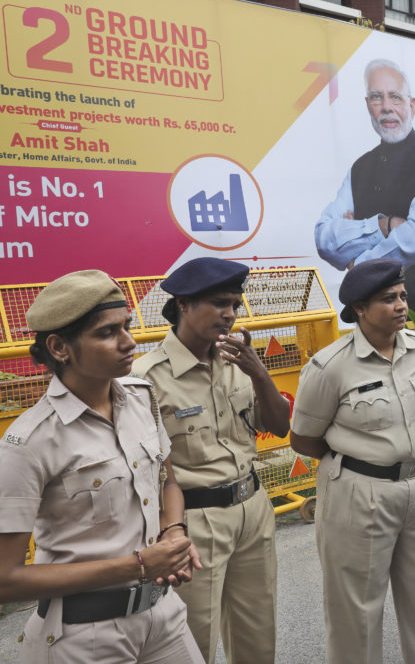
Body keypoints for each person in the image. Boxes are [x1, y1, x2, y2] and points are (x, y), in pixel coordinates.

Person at [0, 270, 204, 664]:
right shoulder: (31, 441)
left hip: (162, 614)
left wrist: (173, 532)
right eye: (108, 333)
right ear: (60, 347)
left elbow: (168, 481)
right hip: (84, 634)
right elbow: (5, 579)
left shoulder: (141, 399)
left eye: (127, 326)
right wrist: (140, 565)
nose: (130, 341)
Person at [289, 258, 415, 664]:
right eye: (387, 299)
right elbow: (304, 439)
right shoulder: (329, 366)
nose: (400, 305)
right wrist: (365, 464)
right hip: (360, 493)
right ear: (359, 308)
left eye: (402, 296)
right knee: (356, 614)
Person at [133, 258, 290, 664]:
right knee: (192, 637)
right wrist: (170, 530)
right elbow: (144, 470)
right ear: (183, 303)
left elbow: (279, 425)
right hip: (196, 520)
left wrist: (259, 373)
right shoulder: (145, 378)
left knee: (257, 631)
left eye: (235, 305)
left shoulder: (238, 363)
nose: (230, 315)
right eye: (220, 303)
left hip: (252, 509)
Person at [314, 58, 415, 316]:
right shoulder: (358, 169)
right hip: (369, 316)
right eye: (376, 97)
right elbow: (325, 238)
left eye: (395, 97)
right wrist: (383, 226)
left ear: (411, 105)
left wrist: (357, 259)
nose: (386, 108)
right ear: (367, 105)